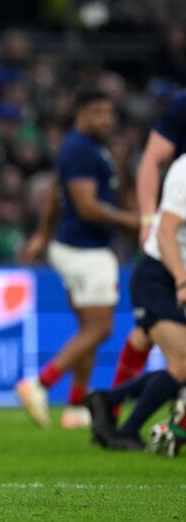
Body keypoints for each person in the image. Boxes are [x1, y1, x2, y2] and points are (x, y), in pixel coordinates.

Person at [15, 89, 139, 428]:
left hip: (72, 246)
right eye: (97, 111)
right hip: (85, 250)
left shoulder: (80, 148)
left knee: (88, 328)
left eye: (109, 112)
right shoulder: (82, 149)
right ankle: (39, 384)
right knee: (101, 328)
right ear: (81, 114)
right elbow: (86, 206)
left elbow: (56, 196)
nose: (106, 119)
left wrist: (42, 234)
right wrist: (135, 221)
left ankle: (76, 406)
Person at [85, 153, 186, 452]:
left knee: (147, 346)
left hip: (172, 276)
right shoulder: (184, 171)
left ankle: (106, 401)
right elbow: (165, 231)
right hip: (159, 276)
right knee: (181, 364)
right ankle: (127, 429)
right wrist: (181, 279)